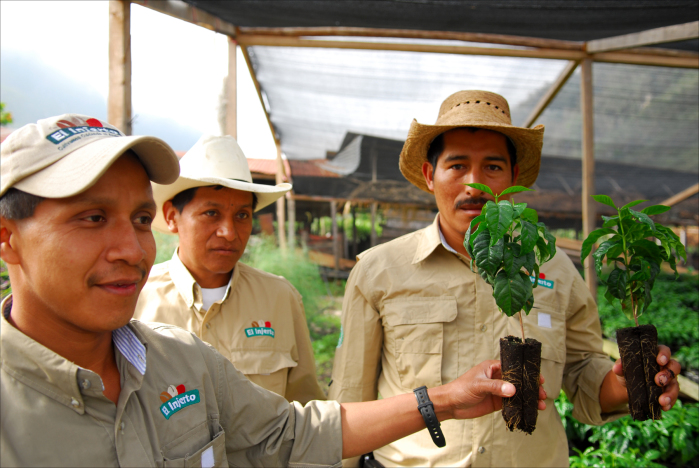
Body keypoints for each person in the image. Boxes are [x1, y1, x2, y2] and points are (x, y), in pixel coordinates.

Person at [0, 114, 545, 467]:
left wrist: (448, 398)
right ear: (8, 239)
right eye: (92, 218)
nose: (131, 249)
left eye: (140, 220)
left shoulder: (181, 362)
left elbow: (293, 427)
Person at [328, 90, 681, 467]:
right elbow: (351, 393)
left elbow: (583, 373)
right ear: (431, 175)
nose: (474, 184)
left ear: (513, 178)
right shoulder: (379, 269)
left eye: (493, 168)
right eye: (457, 165)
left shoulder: (555, 267)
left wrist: (625, 384)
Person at [133, 135, 325, 404]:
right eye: (211, 213)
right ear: (171, 217)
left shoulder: (280, 297)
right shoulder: (135, 298)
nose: (229, 232)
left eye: (242, 215)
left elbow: (303, 405)